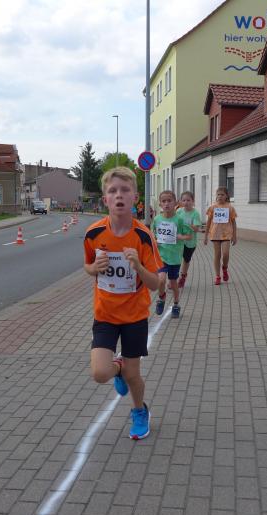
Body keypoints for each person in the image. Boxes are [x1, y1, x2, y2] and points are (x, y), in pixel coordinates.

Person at [83, 167, 162, 440]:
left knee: (133, 375)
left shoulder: (143, 236)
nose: (119, 195)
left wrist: (138, 266)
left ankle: (139, 410)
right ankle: (117, 367)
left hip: (134, 317)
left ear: (135, 198)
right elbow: (87, 266)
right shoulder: (93, 233)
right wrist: (94, 268)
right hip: (105, 314)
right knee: (99, 373)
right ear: (105, 199)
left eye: (125, 190)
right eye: (112, 191)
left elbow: (156, 284)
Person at [151, 190, 192, 318]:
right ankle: (161, 298)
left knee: (173, 283)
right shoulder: (157, 219)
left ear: (175, 203)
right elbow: (152, 235)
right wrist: (154, 241)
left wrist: (181, 237)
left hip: (174, 257)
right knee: (161, 280)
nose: (167, 204)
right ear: (160, 204)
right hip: (161, 256)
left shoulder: (179, 220)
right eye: (164, 201)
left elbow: (189, 236)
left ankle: (176, 303)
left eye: (169, 201)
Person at [203, 186, 237, 285]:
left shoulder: (230, 207)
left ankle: (224, 267)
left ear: (226, 196)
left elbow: (233, 222)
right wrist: (205, 236)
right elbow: (208, 222)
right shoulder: (212, 207)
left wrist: (234, 236)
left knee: (225, 253)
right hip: (215, 234)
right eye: (218, 194)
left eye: (222, 194)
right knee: (217, 255)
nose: (220, 196)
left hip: (226, 234)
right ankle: (217, 276)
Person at [176, 191, 201, 289]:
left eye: (188, 200)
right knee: (176, 259)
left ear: (193, 201)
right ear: (181, 201)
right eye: (184, 200)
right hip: (179, 241)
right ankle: (173, 279)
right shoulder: (179, 211)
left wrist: (188, 225)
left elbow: (196, 229)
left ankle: (183, 276)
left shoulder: (195, 213)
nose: (186, 202)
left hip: (190, 242)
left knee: (186, 260)